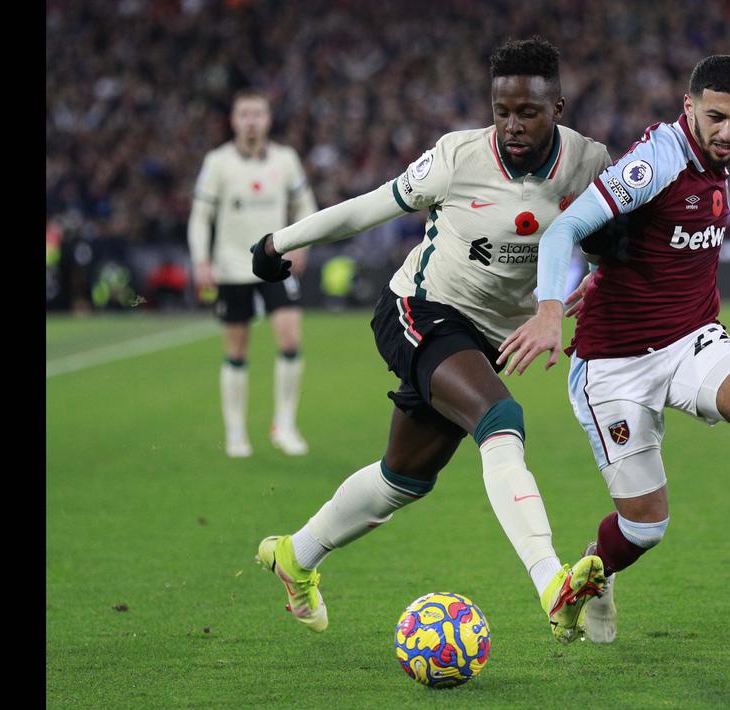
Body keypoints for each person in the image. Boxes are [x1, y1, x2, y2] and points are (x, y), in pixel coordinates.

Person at [249, 38, 613, 642]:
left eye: (528, 112)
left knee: (403, 478)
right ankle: (553, 584)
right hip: (418, 309)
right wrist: (280, 242)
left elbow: (612, 240)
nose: (512, 126)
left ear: (558, 108)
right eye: (501, 111)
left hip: (487, 337)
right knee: (500, 419)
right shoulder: (457, 157)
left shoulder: (588, 162)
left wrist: (604, 273)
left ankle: (296, 555)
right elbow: (369, 207)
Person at [499, 55, 730, 644]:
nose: (728, 132)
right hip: (613, 363)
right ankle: (596, 570)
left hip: (690, 338)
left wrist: (612, 265)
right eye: (715, 117)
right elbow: (563, 228)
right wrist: (547, 311)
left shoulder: (714, 157)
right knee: (646, 528)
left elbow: (647, 242)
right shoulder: (657, 161)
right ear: (688, 107)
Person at [188, 89, 317, 458]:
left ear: (268, 119)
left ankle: (285, 425)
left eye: (257, 114)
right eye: (244, 114)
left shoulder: (286, 159)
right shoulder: (218, 163)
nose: (251, 121)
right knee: (236, 348)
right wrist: (201, 260)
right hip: (230, 266)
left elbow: (305, 203)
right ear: (233, 120)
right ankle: (235, 432)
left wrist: (304, 241)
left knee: (290, 338)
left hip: (274, 264)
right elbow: (201, 216)